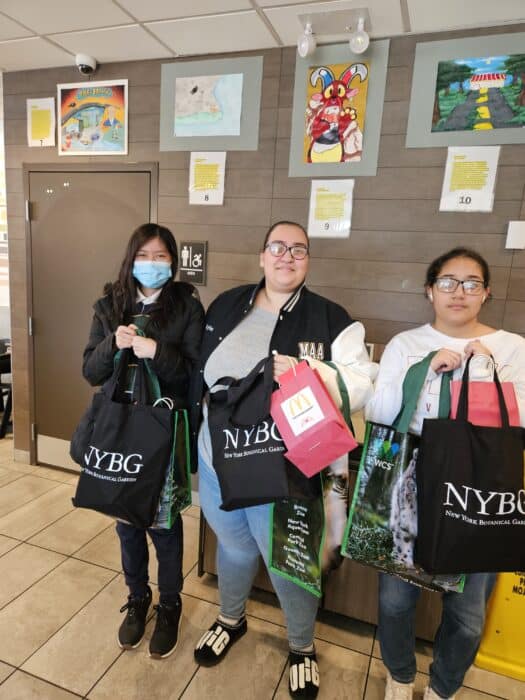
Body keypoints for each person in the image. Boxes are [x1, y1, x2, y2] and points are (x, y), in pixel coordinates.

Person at [191, 220, 377, 698]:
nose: (287, 256)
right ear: (262, 255)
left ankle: (301, 647)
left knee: (287, 562)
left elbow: (362, 383)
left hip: (285, 471)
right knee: (233, 546)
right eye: (278, 246)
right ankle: (231, 619)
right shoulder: (227, 305)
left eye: (299, 249)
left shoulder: (333, 319)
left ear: (308, 260)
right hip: (218, 463)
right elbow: (200, 371)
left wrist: (308, 370)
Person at [365, 247, 525, 700]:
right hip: (414, 478)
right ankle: (398, 675)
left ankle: (443, 686)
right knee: (396, 600)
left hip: (479, 487)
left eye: (472, 283)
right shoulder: (406, 344)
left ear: (486, 292)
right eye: (448, 282)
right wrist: (423, 371)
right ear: (429, 290)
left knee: (468, 610)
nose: (460, 292)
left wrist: (486, 372)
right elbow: (379, 413)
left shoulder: (514, 348)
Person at [82, 223, 204, 659]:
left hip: (161, 435)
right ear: (131, 258)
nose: (152, 265)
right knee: (126, 522)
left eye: (161, 257)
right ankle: (138, 597)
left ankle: (169, 603)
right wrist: (112, 347)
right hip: (118, 433)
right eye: (145, 256)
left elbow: (194, 376)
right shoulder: (108, 304)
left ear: (172, 262)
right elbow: (91, 372)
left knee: (164, 526)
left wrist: (158, 353)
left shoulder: (186, 307)